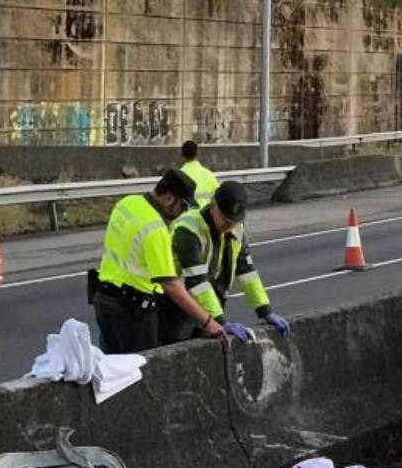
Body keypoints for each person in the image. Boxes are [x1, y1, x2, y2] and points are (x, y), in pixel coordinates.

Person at [94, 169, 225, 354]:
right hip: (133, 311)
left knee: (111, 371)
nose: (183, 212)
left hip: (104, 300)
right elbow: (171, 285)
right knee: (140, 373)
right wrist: (208, 322)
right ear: (170, 198)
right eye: (183, 205)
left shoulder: (127, 203)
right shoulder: (155, 228)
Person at [159, 181, 291, 344]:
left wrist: (265, 310)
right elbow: (197, 282)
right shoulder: (188, 228)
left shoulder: (236, 228)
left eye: (233, 220)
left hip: (207, 310)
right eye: (225, 218)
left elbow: (246, 271)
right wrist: (220, 321)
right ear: (213, 204)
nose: (228, 225)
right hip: (178, 308)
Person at [180, 140, 220, 208]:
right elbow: (219, 198)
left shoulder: (177, 176)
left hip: (185, 218)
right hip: (204, 217)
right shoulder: (209, 175)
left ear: (182, 155)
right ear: (198, 153)